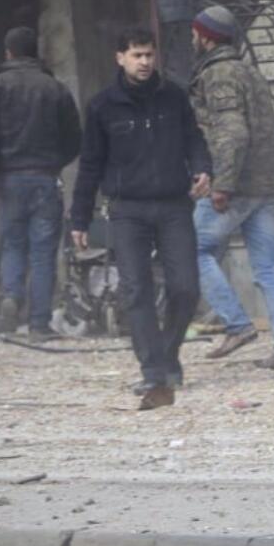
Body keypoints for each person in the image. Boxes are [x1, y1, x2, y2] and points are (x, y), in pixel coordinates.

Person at [70, 28, 212, 410]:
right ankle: (153, 370)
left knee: (185, 286)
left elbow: (194, 138)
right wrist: (79, 219)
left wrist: (201, 167)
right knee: (136, 290)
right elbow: (90, 165)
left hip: (173, 204)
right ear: (120, 58)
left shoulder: (174, 96)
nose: (145, 62)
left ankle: (168, 353)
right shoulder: (102, 106)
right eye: (137, 55)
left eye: (149, 55)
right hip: (127, 210)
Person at [187, 5, 274, 370]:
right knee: (268, 266)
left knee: (193, 250)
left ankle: (237, 325)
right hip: (266, 184)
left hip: (237, 185)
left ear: (205, 36)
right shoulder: (249, 71)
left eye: (196, 33)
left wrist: (222, 184)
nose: (193, 39)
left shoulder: (218, 74)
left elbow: (233, 133)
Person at [0, 27, 81, 337]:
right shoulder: (55, 89)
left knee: (13, 245)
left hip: (9, 179)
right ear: (36, 52)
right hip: (45, 178)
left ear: (8, 53)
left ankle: (11, 296)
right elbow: (74, 138)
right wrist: (54, 163)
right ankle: (38, 322)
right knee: (43, 250)